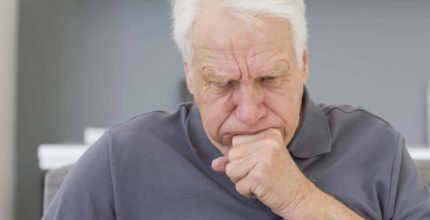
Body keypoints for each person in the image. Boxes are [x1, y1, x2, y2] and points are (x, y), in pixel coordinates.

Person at [43, 0, 430, 219]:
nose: (249, 113)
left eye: (269, 79)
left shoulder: (378, 151)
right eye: (223, 83)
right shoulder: (120, 159)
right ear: (191, 76)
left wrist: (298, 199)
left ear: (303, 63)